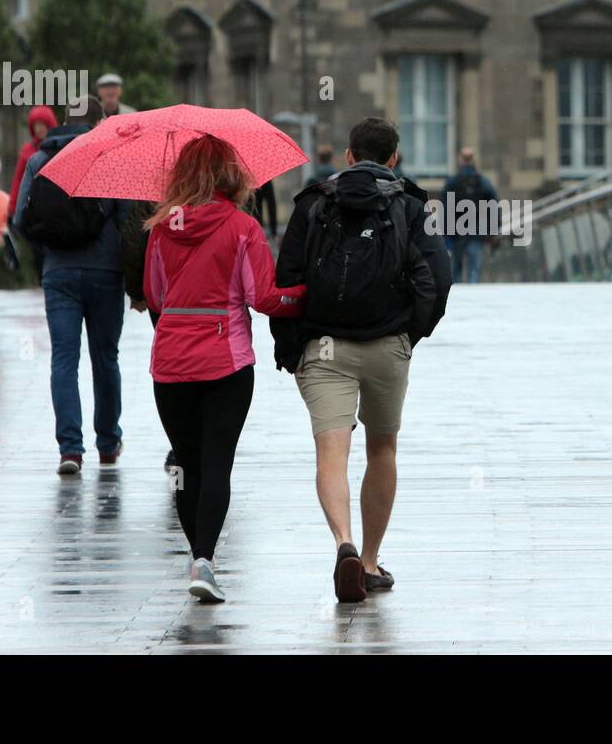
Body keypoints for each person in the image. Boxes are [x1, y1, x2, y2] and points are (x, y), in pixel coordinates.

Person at [271, 117, 451, 603]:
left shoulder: (312, 202)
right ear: (394, 158)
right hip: (387, 345)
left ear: (349, 156)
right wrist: (411, 333)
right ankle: (370, 562)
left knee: (332, 452)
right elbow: (440, 275)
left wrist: (289, 347)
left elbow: (285, 280)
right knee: (382, 450)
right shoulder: (410, 204)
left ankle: (342, 543)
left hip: (325, 346)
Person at [143, 135, 305, 603]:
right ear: (228, 174)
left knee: (184, 464)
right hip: (226, 364)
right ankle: (205, 560)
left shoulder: (160, 227)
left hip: (169, 363)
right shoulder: (242, 227)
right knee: (217, 463)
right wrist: (307, 294)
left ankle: (198, 557)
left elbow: (155, 296)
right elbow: (265, 298)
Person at [121, 182, 278, 474]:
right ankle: (204, 447)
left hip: (173, 314)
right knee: (218, 461)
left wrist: (137, 290)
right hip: (225, 339)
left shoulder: (157, 200)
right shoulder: (240, 220)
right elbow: (259, 294)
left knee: (186, 447)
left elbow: (135, 246)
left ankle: (183, 449)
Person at [13, 122, 128, 475]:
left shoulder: (39, 160)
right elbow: (126, 221)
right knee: (105, 359)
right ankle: (108, 444)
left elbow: (20, 220)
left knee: (64, 359)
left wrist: (49, 250)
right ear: (97, 126)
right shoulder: (109, 158)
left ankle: (70, 450)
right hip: (106, 273)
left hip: (59, 273)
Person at [8, 105, 59, 282]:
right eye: (36, 125)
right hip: (33, 210)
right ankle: (42, 279)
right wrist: (13, 207)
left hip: (53, 208)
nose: (39, 129)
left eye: (42, 125)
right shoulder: (27, 152)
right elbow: (18, 180)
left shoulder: (59, 146)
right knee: (38, 251)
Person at [442, 147, 499, 284]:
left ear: (460, 160)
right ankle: (474, 298)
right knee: (474, 269)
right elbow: (494, 205)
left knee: (456, 271)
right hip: (476, 231)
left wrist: (445, 233)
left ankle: (458, 301)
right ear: (474, 160)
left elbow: (445, 208)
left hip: (456, 232)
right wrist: (493, 231)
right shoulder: (483, 182)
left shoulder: (452, 182)